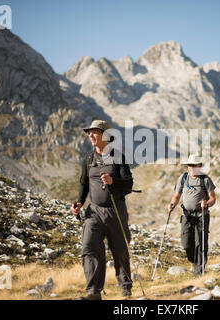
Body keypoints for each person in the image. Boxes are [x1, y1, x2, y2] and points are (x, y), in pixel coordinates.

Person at [72, 120, 133, 300]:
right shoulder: (88, 159)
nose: (90, 135)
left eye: (94, 132)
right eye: (89, 132)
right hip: (94, 212)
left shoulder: (118, 157)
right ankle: (93, 292)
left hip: (115, 212)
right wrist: (79, 203)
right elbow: (84, 183)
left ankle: (126, 289)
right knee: (89, 247)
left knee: (119, 250)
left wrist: (114, 182)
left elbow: (129, 185)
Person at [167, 154, 216, 276]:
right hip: (186, 215)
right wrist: (172, 204)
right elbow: (176, 196)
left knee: (201, 242)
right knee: (186, 243)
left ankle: (199, 271)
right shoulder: (183, 178)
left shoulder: (205, 179)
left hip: (201, 215)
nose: (192, 167)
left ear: (199, 165)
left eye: (194, 165)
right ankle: (195, 262)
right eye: (190, 165)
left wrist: (207, 203)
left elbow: (213, 198)